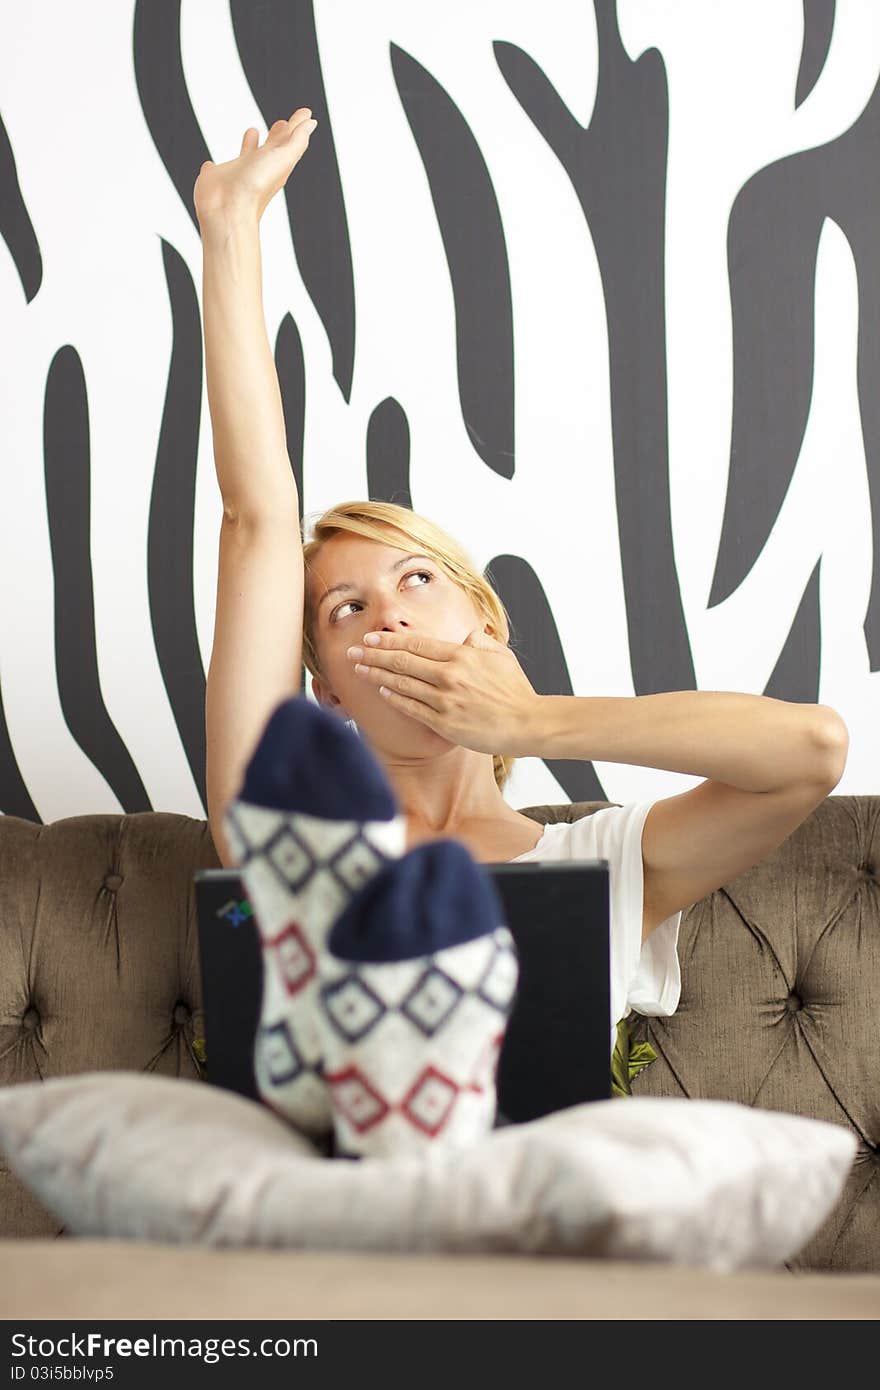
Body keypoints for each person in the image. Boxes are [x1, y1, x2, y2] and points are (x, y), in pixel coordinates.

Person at [194, 107, 849, 1107]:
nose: (389, 616)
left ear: (485, 626)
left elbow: (810, 750)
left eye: (419, 580)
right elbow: (255, 516)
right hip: (344, 1240)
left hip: (542, 1239)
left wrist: (533, 723)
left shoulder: (598, 862)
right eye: (345, 607)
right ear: (323, 691)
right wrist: (231, 229)